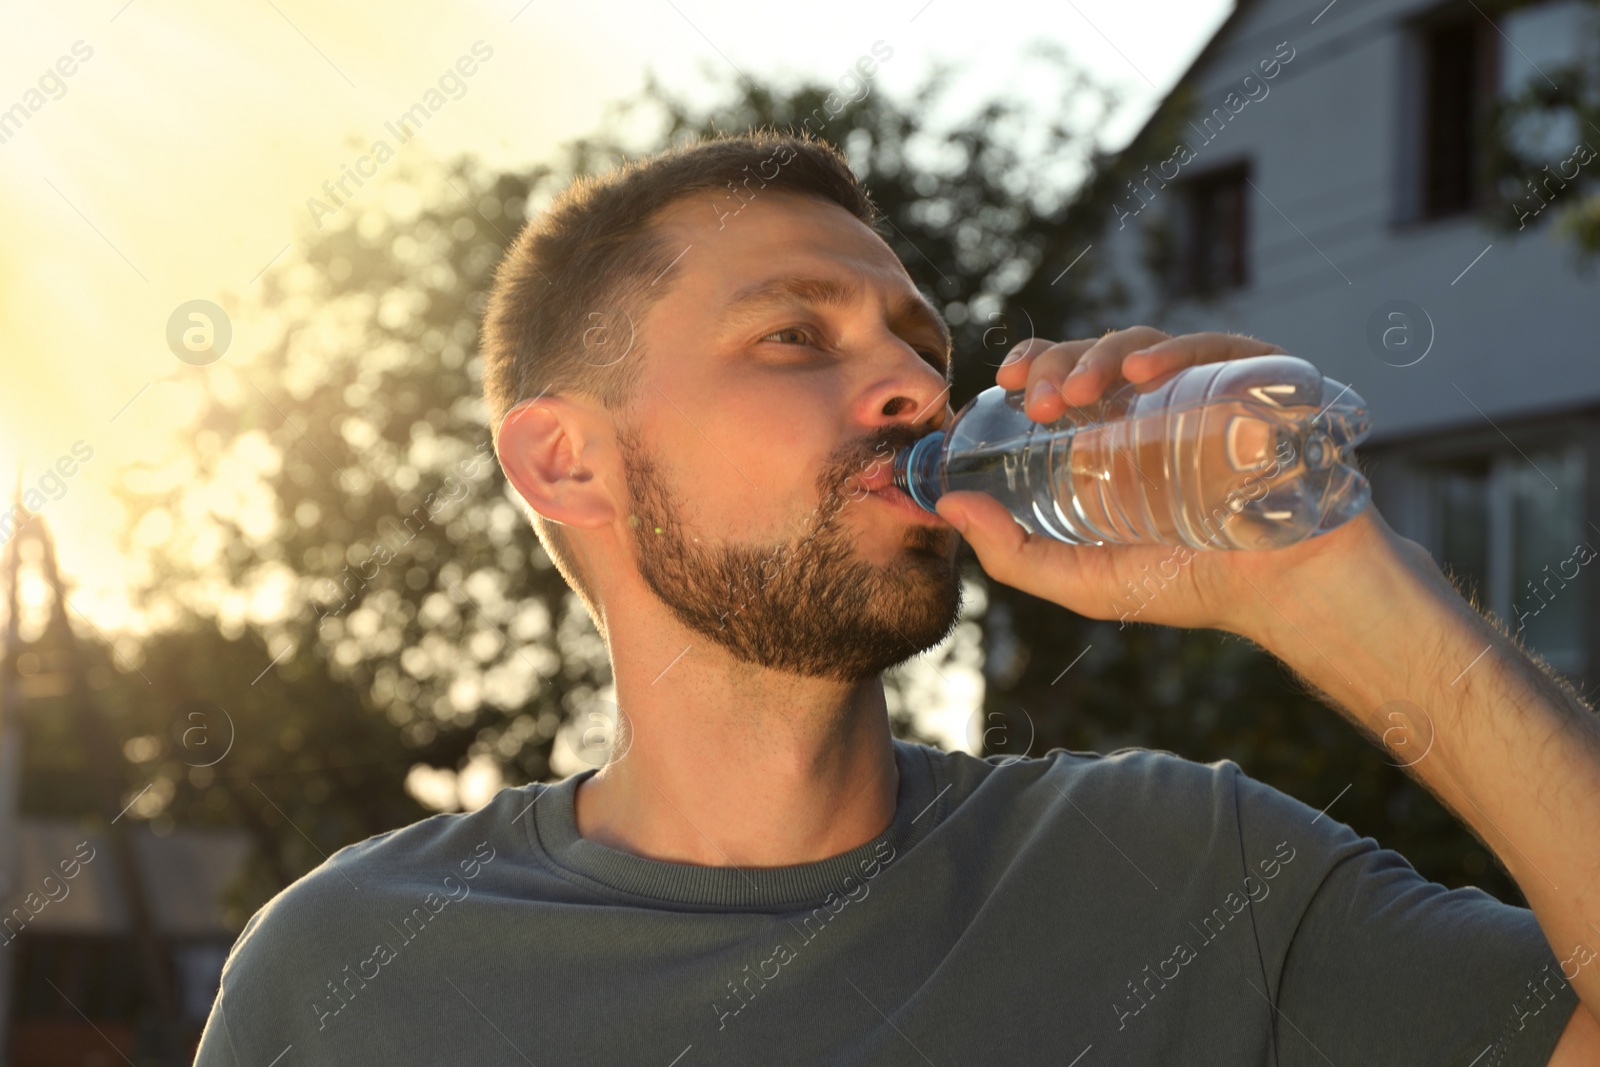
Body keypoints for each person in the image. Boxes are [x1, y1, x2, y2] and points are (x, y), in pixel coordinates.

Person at [195, 132, 1600, 1065]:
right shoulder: (349, 978)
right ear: (568, 461)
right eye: (794, 333)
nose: (921, 388)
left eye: (921, 346)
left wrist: (1332, 589)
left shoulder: (1182, 875)